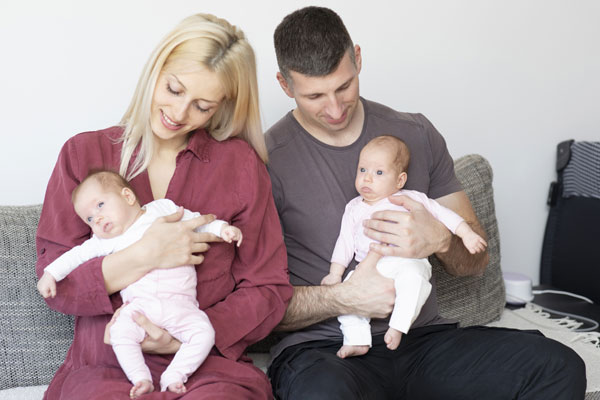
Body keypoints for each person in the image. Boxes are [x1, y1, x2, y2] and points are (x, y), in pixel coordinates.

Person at [265, 6, 586, 399]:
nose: (334, 109)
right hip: (325, 351)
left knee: (558, 366)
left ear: (358, 58)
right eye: (315, 96)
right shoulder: (265, 161)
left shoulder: (415, 133)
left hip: (423, 343)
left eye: (344, 86)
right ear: (284, 85)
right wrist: (341, 297)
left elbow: (477, 261)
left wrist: (441, 240)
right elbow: (252, 307)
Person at [36, 13, 292, 399]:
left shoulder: (239, 165)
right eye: (174, 89)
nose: (179, 113)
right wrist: (146, 253)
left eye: (202, 106)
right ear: (156, 70)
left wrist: (188, 335)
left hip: (204, 364)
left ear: (222, 107)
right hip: (106, 364)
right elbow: (56, 283)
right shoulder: (83, 155)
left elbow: (268, 287)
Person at [37, 170, 242, 397]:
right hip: (140, 307)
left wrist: (222, 229)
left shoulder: (162, 209)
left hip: (181, 305)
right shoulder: (104, 241)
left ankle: (175, 375)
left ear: (127, 196)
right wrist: (50, 274)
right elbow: (75, 256)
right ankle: (140, 378)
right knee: (119, 332)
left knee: (204, 333)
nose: (97, 218)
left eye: (100, 205)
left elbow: (196, 221)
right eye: (89, 219)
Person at [322, 136, 486, 359]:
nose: (367, 178)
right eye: (362, 170)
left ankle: (398, 326)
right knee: (345, 297)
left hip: (407, 261)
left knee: (415, 281)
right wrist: (335, 273)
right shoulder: (353, 208)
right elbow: (344, 241)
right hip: (369, 269)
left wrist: (466, 234)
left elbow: (444, 215)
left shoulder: (410, 198)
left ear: (400, 180)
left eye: (379, 172)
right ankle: (356, 339)